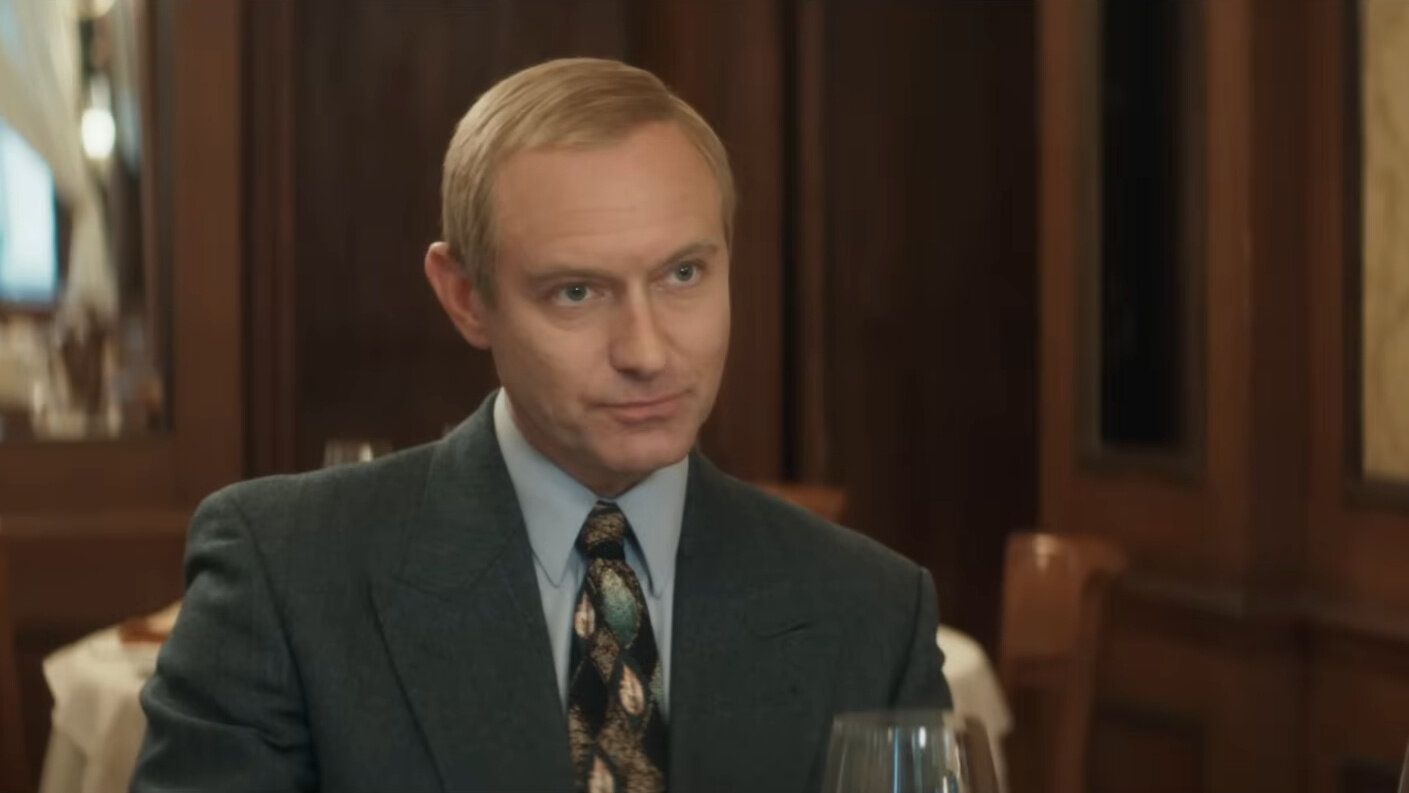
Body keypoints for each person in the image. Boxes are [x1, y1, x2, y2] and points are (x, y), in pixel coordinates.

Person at [131, 57, 951, 793]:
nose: (646, 351)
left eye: (682, 273)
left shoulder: (872, 610)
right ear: (464, 296)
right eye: (576, 292)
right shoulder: (285, 574)